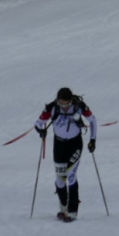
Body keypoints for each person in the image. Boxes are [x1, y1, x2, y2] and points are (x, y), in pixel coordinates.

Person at [35, 87, 97, 222]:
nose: (64, 107)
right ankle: (63, 207)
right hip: (59, 145)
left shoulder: (79, 106)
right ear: (57, 100)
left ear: (71, 101)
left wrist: (93, 140)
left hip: (75, 144)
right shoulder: (52, 108)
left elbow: (92, 120)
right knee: (60, 180)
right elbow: (38, 123)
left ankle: (72, 210)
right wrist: (41, 132)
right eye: (61, 104)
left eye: (67, 104)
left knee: (71, 175)